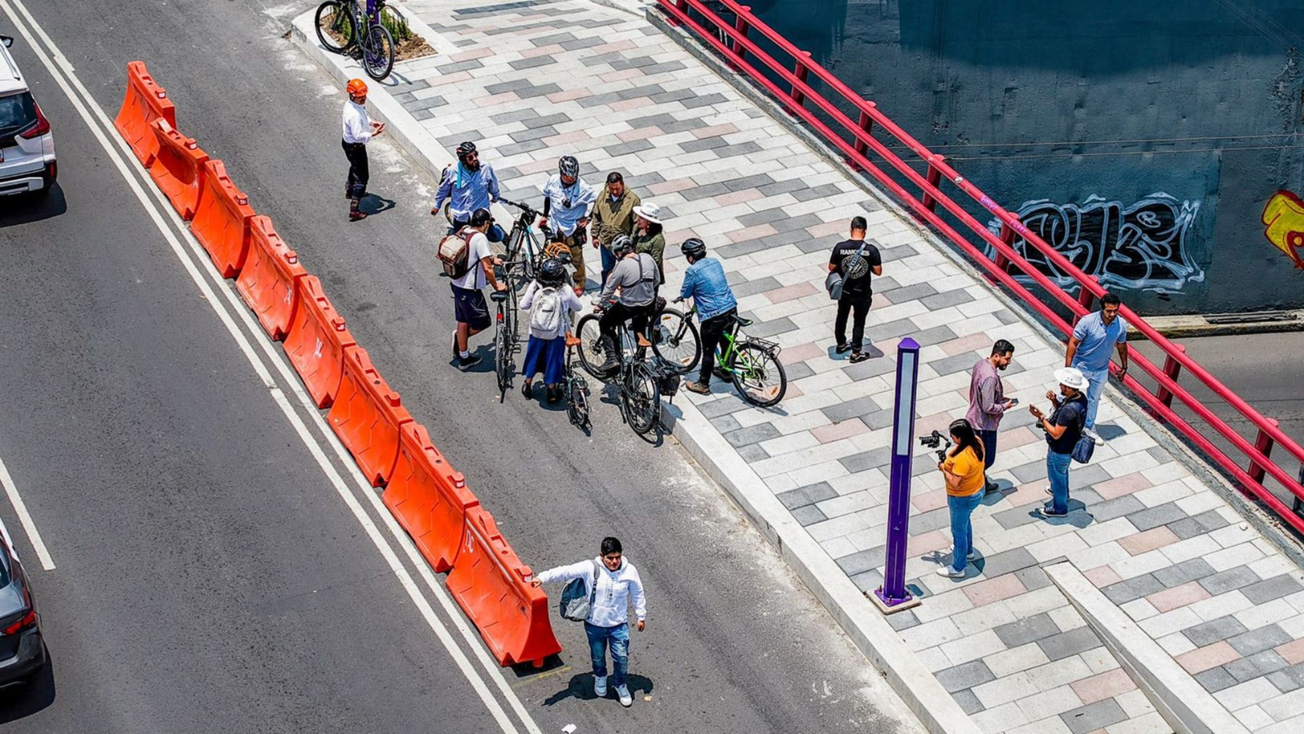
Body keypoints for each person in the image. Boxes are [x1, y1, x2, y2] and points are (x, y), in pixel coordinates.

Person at [532, 537, 647, 708]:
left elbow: (638, 592)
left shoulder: (630, 571)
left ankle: (620, 685)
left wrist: (641, 615)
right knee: (598, 656)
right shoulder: (589, 568)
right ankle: (600, 677)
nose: (614, 561)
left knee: (621, 658)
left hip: (618, 625)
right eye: (610, 558)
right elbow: (566, 571)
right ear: (601, 556)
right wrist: (543, 578)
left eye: (617, 557)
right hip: (595, 625)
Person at [1065, 292, 1129, 442]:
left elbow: (1121, 345)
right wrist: (1067, 368)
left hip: (1101, 369)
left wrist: (1124, 366)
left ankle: (1088, 426)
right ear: (1102, 309)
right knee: (1067, 394)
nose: (1112, 314)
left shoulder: (1121, 325)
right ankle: (1058, 417)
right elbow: (1073, 343)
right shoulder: (1087, 322)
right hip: (1081, 366)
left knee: (1094, 399)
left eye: (1115, 310)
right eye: (1109, 311)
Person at [678, 238, 738, 396]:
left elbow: (685, 293)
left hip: (713, 316)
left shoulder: (693, 271)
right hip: (731, 308)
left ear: (690, 256)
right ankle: (726, 371)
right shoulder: (715, 262)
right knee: (726, 341)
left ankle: (703, 384)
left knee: (708, 351)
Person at [520, 258, 584, 403]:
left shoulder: (536, 286)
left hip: (536, 331)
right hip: (557, 333)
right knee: (553, 360)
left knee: (533, 356)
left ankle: (527, 384)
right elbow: (578, 307)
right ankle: (551, 391)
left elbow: (523, 305)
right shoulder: (565, 289)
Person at [449, 208, 505, 370]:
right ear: (486, 224)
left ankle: (465, 356)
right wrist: (497, 285)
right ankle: (460, 340)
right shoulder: (480, 237)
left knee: (463, 319)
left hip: (457, 283)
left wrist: (493, 259)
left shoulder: (465, 230)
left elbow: (472, 254)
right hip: (469, 289)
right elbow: (487, 268)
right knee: (483, 322)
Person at [1030, 367, 1090, 517]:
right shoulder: (1080, 398)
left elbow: (1056, 433)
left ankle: (1059, 508)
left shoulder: (1069, 410)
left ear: (1069, 388)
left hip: (1060, 449)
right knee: (1060, 474)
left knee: (1058, 477)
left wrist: (1041, 417)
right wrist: (1054, 401)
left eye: (1062, 385)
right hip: (1065, 447)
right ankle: (1062, 493)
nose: (1060, 386)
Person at [595, 235, 659, 375]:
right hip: (648, 303)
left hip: (629, 306)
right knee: (639, 328)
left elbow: (609, 288)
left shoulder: (622, 265)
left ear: (618, 253)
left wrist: (601, 304)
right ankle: (640, 362)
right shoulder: (648, 258)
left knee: (605, 323)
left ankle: (612, 358)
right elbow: (656, 280)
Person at [827, 216, 882, 363]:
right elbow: (878, 271)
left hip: (844, 291)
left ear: (851, 230)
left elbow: (831, 267)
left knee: (842, 316)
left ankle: (841, 344)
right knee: (859, 320)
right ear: (865, 232)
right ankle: (856, 353)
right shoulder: (871, 250)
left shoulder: (840, 247)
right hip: (862, 293)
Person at [936, 419, 987, 579]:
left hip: (962, 497)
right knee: (965, 521)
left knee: (958, 531)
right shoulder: (977, 442)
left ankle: (958, 567)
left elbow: (955, 483)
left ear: (960, 437)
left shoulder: (962, 459)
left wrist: (944, 468)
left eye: (953, 437)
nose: (952, 439)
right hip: (977, 490)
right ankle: (968, 551)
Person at [540, 156, 598, 297]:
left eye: (573, 176)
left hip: (573, 228)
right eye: (567, 176)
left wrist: (588, 218)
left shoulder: (583, 187)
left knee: (576, 256)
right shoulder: (553, 181)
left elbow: (599, 200)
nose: (571, 179)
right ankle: (557, 277)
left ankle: (579, 282)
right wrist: (544, 215)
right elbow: (547, 197)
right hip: (555, 225)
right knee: (554, 252)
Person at [965, 340, 1018, 493]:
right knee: (986, 459)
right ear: (996, 356)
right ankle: (974, 484)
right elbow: (988, 407)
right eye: (1007, 359)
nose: (1009, 362)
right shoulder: (990, 377)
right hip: (983, 425)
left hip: (974, 418)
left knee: (978, 457)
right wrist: (1004, 406)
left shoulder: (980, 364)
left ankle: (982, 483)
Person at [431, 141, 506, 243]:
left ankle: (500, 232)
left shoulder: (485, 168)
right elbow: (443, 190)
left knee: (493, 237)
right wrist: (437, 205)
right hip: (461, 215)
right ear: (463, 160)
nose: (475, 159)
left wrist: (495, 196)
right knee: (459, 244)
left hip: (480, 214)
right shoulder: (452, 171)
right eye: (470, 158)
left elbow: (493, 184)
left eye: (475, 155)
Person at [341, 78, 384, 221]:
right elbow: (358, 135)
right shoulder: (353, 115)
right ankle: (354, 209)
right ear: (353, 95)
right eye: (360, 97)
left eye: (364, 96)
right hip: (355, 146)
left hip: (350, 145)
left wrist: (371, 122)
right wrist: (373, 133)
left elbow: (363, 115)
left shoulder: (353, 106)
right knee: (362, 178)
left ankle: (350, 190)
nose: (363, 99)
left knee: (354, 167)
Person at [591, 172, 641, 288]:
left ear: (622, 184)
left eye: (617, 188)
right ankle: (604, 290)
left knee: (624, 271)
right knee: (607, 268)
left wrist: (632, 242)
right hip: (606, 241)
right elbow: (596, 216)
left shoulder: (633, 200)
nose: (614, 191)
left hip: (623, 244)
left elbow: (636, 223)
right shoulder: (602, 196)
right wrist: (594, 235)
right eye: (611, 188)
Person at [631, 202, 666, 286]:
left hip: (647, 277)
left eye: (642, 218)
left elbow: (655, 261)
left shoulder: (658, 239)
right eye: (639, 216)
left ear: (649, 222)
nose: (638, 220)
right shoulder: (637, 227)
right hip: (633, 270)